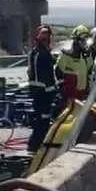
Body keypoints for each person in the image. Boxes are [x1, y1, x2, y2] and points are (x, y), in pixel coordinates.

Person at [26, 25, 58, 153]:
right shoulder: (38, 54)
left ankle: (39, 143)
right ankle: (34, 145)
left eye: (47, 36)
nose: (46, 39)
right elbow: (40, 77)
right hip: (41, 93)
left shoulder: (44, 52)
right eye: (43, 36)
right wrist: (51, 90)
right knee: (41, 119)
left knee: (44, 119)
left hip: (44, 92)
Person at [57, 25, 93, 103]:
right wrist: (62, 89)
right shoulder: (66, 54)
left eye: (86, 39)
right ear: (76, 40)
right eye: (83, 39)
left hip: (82, 93)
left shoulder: (85, 55)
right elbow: (58, 71)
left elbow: (89, 70)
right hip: (69, 94)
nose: (84, 42)